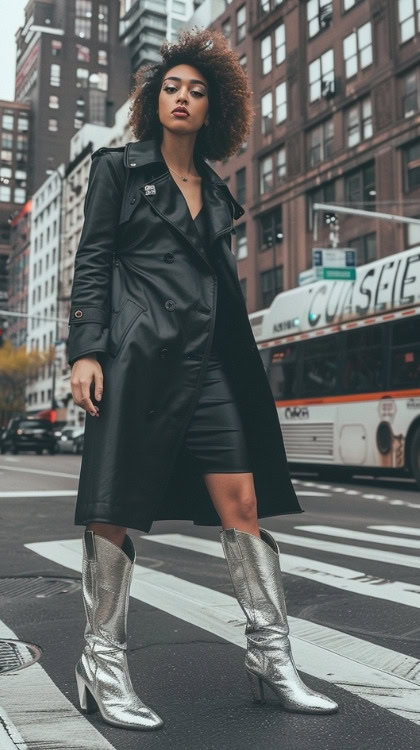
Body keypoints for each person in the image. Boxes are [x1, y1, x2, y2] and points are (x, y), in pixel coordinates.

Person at [68, 28, 338, 731]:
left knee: (241, 504)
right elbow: (93, 260)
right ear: (153, 100)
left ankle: (272, 662)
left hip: (209, 361)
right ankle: (101, 664)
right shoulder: (119, 170)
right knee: (114, 506)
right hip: (135, 355)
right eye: (170, 87)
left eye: (196, 90)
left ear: (213, 109)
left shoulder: (216, 192)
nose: (181, 97)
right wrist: (86, 350)